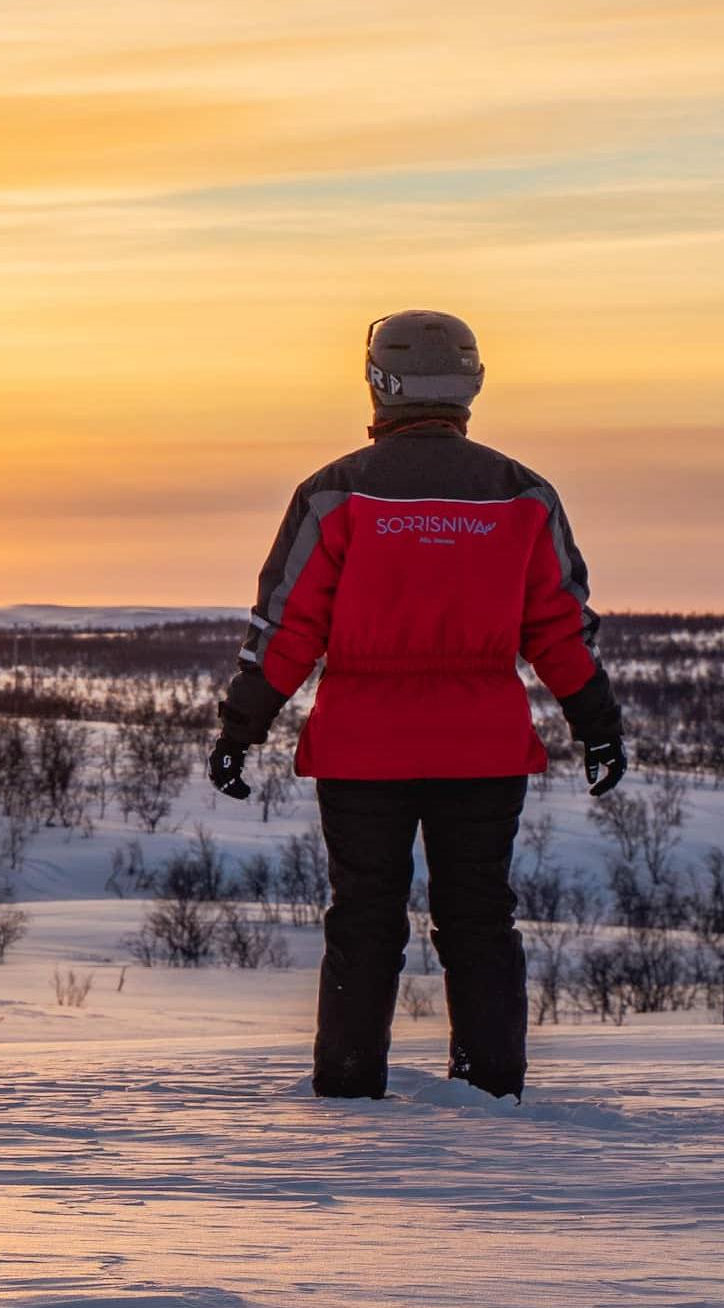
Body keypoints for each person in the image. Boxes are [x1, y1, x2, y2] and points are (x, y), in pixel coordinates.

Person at [206, 311, 626, 1100]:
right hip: (483, 746)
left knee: (363, 918)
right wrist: (595, 723)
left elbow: (287, 624)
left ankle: (346, 1086)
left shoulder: (333, 492)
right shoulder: (520, 492)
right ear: (469, 383)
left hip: (363, 748)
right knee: (478, 920)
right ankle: (493, 1089)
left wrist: (243, 722)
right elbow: (558, 628)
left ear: (378, 382)